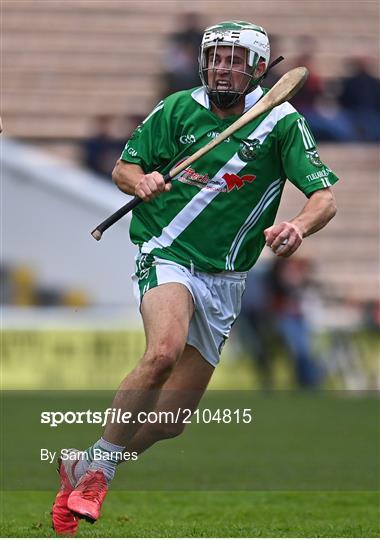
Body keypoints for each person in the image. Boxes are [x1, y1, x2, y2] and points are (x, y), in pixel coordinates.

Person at [52, 20, 338, 535]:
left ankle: (85, 460)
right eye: (215, 58)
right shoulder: (176, 109)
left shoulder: (281, 121)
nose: (222, 68)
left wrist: (297, 225)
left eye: (234, 60)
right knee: (163, 351)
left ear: (256, 68)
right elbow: (125, 167)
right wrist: (142, 181)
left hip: (226, 275)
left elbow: (324, 197)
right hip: (166, 250)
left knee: (170, 422)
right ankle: (98, 473)